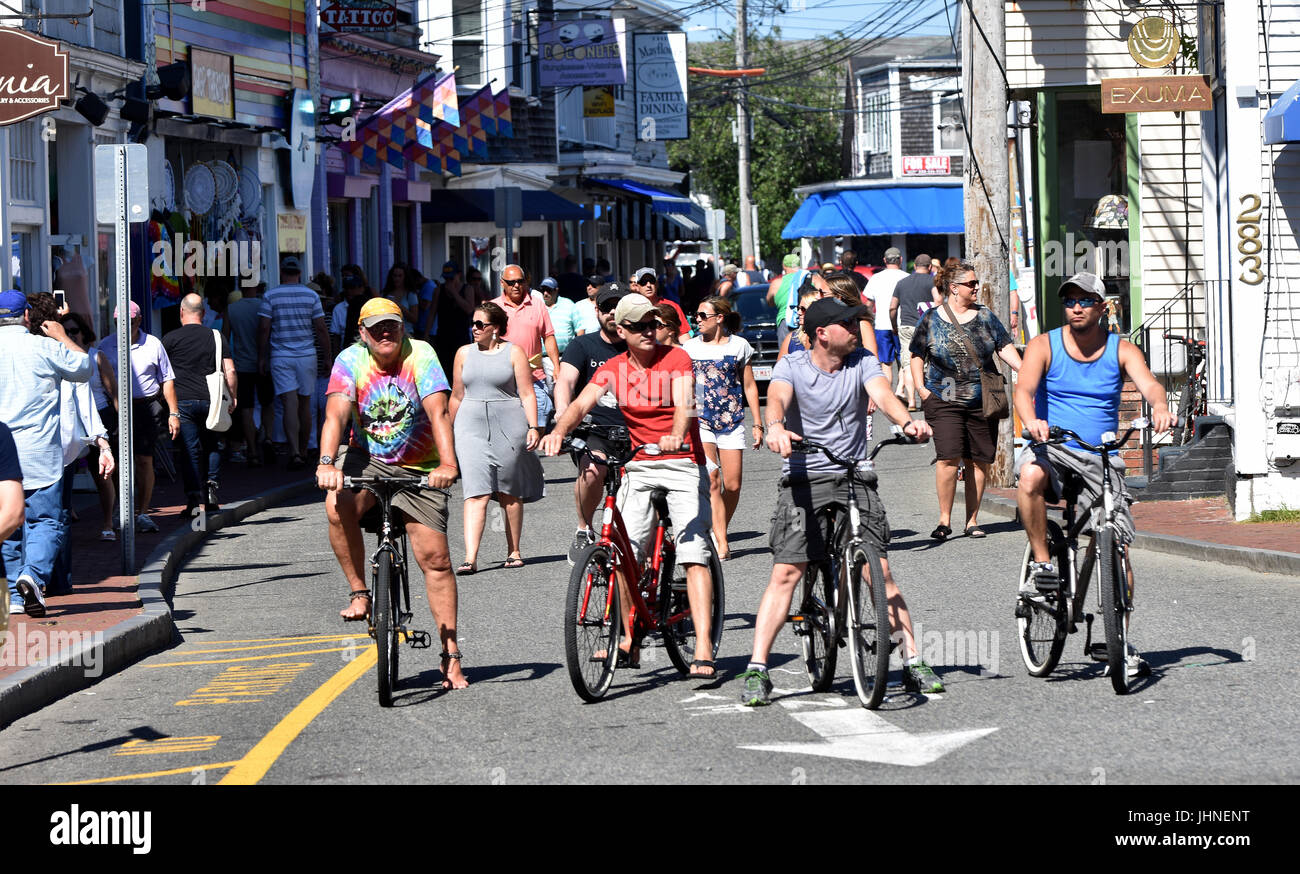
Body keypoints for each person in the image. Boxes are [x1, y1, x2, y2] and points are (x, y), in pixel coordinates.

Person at [737, 297, 942, 706]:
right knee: (787, 573)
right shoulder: (791, 366)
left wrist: (906, 421)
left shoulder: (862, 361)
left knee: (879, 572)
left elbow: (882, 395)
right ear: (822, 334)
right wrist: (775, 427)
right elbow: (775, 399)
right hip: (803, 477)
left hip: (854, 474)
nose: (857, 330)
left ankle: (913, 660)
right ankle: (758, 668)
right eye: (849, 324)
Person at [540, 292, 718, 678]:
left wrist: (675, 434)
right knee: (623, 553)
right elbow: (580, 403)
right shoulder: (614, 368)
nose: (649, 332)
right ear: (621, 330)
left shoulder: (677, 358)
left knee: (692, 552)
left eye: (653, 324)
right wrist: (558, 431)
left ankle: (703, 645)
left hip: (682, 462)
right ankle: (628, 634)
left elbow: (685, 403)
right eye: (639, 326)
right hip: (639, 465)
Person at [1014, 271, 1173, 676]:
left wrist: (1159, 406)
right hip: (1054, 448)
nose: (1077, 307)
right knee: (1029, 478)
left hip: (1100, 455)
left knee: (1115, 542)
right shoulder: (1043, 345)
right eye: (1070, 301)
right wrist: (1032, 421)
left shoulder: (1121, 348)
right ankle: (1045, 564)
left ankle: (1114, 634)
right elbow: (1024, 391)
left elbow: (1150, 384)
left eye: (1086, 300)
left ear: (1103, 307)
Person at [317, 297, 466, 689]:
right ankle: (360, 592)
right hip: (368, 460)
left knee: (435, 559)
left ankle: (450, 656)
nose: (386, 333)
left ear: (403, 329)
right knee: (336, 504)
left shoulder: (421, 355)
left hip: (420, 466)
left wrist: (448, 465)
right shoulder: (350, 360)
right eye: (376, 328)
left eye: (393, 326)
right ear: (362, 334)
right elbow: (335, 414)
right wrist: (327, 462)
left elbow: (439, 413)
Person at [908, 260, 1023, 540]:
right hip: (943, 397)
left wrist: (1025, 370)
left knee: (978, 461)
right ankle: (944, 520)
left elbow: (1004, 346)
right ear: (953, 288)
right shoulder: (932, 319)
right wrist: (922, 390)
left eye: (976, 282)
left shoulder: (985, 316)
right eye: (971, 283)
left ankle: (972, 520)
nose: (976, 287)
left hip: (982, 398)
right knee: (948, 458)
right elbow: (916, 355)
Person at [0, 290, 91, 617]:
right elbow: (83, 368)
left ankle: (12, 590)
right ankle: (33, 574)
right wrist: (63, 335)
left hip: (1, 447)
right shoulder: (44, 346)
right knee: (46, 520)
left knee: (6, 523)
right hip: (38, 450)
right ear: (26, 315)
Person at [27, 294, 113, 595]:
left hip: (25, 447)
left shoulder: (19, 350)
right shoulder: (61, 352)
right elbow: (84, 393)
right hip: (53, 449)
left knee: (21, 517)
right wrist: (102, 442)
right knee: (53, 517)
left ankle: (24, 585)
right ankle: (49, 580)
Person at [449, 302, 544, 573]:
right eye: (474, 323)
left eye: (481, 324)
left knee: (508, 491)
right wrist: (446, 430)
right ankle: (470, 557)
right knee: (475, 491)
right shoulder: (463, 353)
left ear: (496, 328)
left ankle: (513, 550)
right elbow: (456, 395)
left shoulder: (514, 352)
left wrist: (533, 426)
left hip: (508, 423)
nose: (475, 329)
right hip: (470, 425)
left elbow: (526, 393)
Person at [684, 296, 762, 561]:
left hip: (731, 421)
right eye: (695, 315)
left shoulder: (740, 346)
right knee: (713, 480)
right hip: (701, 421)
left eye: (702, 316)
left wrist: (758, 423)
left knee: (733, 484)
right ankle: (721, 540)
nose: (697, 320)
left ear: (719, 318)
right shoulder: (689, 347)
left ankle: (720, 526)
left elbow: (749, 385)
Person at [555, 282, 628, 563]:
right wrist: (563, 413)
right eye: (606, 308)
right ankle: (584, 528)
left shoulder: (640, 345)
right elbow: (566, 380)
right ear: (596, 311)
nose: (612, 313)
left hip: (635, 430)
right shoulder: (582, 345)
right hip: (595, 429)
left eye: (618, 308)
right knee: (593, 469)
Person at [95, 300, 182, 532]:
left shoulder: (153, 344)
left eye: (129, 322)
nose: (123, 326)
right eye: (118, 322)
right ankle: (120, 510)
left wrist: (174, 413)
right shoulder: (106, 345)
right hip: (115, 408)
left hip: (146, 405)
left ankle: (143, 512)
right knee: (116, 461)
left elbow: (167, 380)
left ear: (139, 320)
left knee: (144, 460)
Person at [163, 294, 237, 516]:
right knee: (212, 444)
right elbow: (230, 370)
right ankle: (211, 491)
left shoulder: (170, 339)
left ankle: (194, 499)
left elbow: (163, 373)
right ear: (203, 314)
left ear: (181, 312)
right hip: (211, 400)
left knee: (190, 450)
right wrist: (232, 396)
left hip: (182, 401)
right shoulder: (216, 336)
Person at [258, 255, 330, 470]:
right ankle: (305, 449)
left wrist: (262, 357)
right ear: (299, 273)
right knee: (305, 403)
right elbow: (320, 328)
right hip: (307, 355)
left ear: (282, 272)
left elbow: (264, 328)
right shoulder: (311, 295)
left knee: (289, 403)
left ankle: (295, 452)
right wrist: (328, 356)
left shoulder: (271, 296)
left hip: (281, 355)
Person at [61, 312, 118, 540]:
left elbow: (113, 390)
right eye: (65, 331)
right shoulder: (59, 356)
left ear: (84, 332)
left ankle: (107, 524)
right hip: (69, 419)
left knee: (101, 474)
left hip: (98, 418)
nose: (70, 335)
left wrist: (119, 422)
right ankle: (67, 511)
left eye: (74, 330)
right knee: (66, 471)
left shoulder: (96, 356)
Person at [492, 264, 560, 429]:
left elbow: (548, 336)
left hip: (533, 378)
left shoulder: (537, 305)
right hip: (504, 380)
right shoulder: (493, 307)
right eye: (511, 282)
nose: (516, 285)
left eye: (520, 281)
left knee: (539, 424)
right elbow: (485, 343)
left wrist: (557, 367)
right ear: (502, 283)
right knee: (507, 427)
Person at [225, 280, 275, 467]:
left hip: (242, 364)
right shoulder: (265, 305)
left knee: (246, 407)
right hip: (264, 363)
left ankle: (252, 451)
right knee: (268, 403)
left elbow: (225, 335)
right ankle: (268, 437)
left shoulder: (232, 309)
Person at [890, 254, 942, 410]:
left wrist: (894, 324)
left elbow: (892, 307)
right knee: (925, 362)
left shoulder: (902, 282)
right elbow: (938, 300)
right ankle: (925, 398)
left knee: (907, 363)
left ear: (914, 266)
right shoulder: (931, 280)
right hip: (925, 326)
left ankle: (911, 401)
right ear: (930, 267)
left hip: (905, 326)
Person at [863, 247, 907, 386]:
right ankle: (901, 391)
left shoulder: (876, 278)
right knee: (904, 361)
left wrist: (866, 321)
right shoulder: (906, 277)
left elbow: (869, 304)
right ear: (900, 260)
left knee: (886, 363)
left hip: (882, 324)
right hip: (902, 324)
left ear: (884, 260)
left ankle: (889, 394)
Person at [631, 267, 689, 342]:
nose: (648, 285)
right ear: (637, 287)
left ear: (657, 284)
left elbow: (683, 334)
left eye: (652, 281)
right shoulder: (632, 307)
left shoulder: (672, 306)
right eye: (643, 282)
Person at [768, 253, 811, 349]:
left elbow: (770, 302)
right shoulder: (806, 278)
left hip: (785, 320)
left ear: (784, 266)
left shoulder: (777, 282)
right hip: (806, 317)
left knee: (786, 353)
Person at [328, 265, 371, 357]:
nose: (349, 291)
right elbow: (336, 337)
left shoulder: (369, 306)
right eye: (347, 288)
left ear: (361, 288)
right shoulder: (339, 309)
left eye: (353, 288)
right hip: (348, 353)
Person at [541, 277, 584, 353]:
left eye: (548, 290)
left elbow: (580, 330)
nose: (545, 293)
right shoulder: (538, 305)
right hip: (543, 357)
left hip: (566, 355)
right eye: (543, 290)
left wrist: (579, 351)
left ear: (556, 290)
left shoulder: (568, 304)